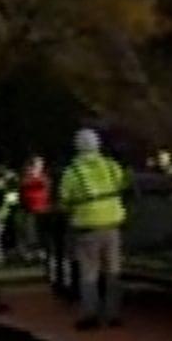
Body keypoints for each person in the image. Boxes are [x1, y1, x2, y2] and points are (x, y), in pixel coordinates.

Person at [60, 128, 129, 330]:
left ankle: (90, 314)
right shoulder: (110, 166)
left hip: (87, 226)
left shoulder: (72, 172)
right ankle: (113, 314)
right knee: (112, 271)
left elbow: (65, 199)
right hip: (112, 223)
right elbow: (123, 183)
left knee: (89, 272)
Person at [19, 157, 54, 264]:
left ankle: (41, 254)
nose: (40, 167)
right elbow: (24, 185)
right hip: (29, 210)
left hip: (43, 210)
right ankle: (30, 256)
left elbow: (46, 185)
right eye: (38, 164)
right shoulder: (26, 177)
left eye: (41, 164)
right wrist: (32, 176)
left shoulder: (44, 177)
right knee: (30, 233)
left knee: (41, 234)